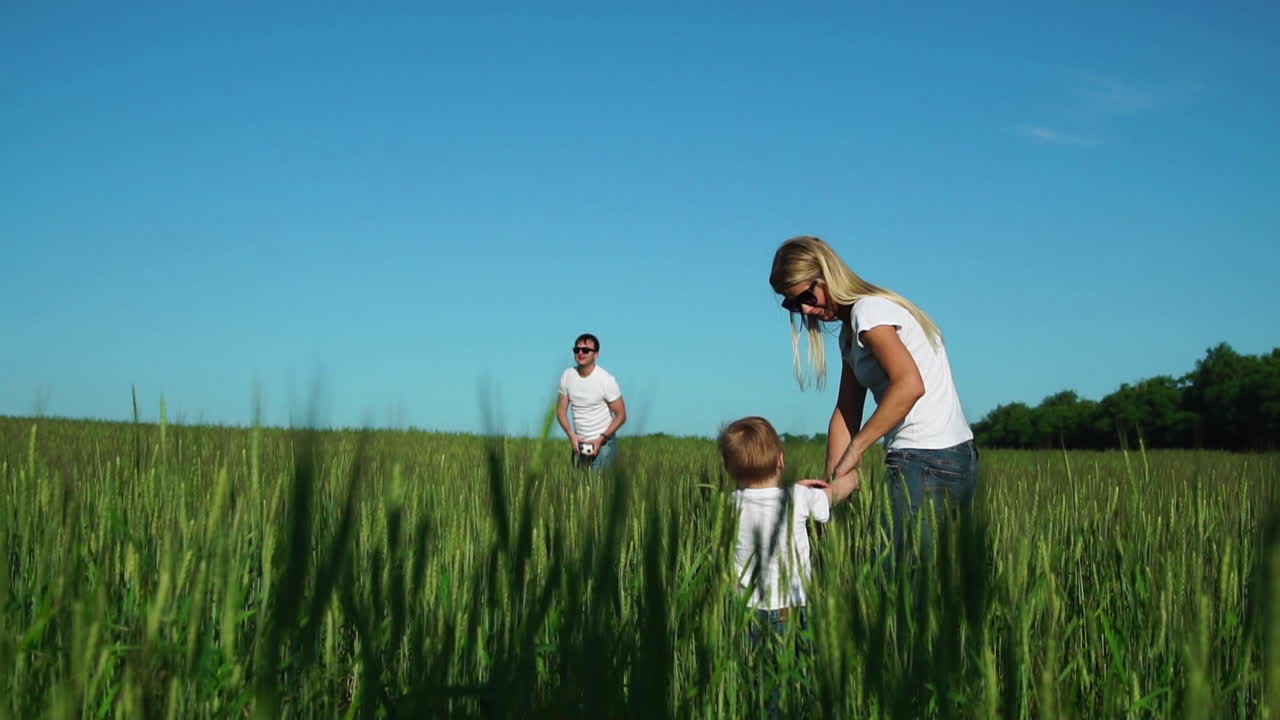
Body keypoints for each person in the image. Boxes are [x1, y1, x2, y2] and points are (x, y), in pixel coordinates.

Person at [769, 235, 979, 558]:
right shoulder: (851, 331)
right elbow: (846, 410)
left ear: (827, 275)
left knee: (897, 577)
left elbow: (909, 385)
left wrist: (857, 449)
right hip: (952, 457)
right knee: (935, 577)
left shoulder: (869, 312)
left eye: (807, 296)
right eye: (794, 305)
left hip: (923, 460)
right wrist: (831, 489)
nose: (806, 309)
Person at [718, 416, 856, 715]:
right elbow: (836, 493)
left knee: (756, 682)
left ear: (729, 468)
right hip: (790, 612)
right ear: (781, 459)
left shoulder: (728, 505)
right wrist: (852, 478)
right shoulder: (799, 498)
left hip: (747, 614)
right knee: (789, 684)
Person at [557, 333, 627, 470]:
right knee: (578, 484)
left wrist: (601, 438)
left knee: (601, 484)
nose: (580, 353)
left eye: (585, 350)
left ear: (596, 354)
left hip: (604, 446)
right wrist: (571, 435)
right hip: (579, 445)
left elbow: (621, 416)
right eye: (577, 350)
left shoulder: (606, 380)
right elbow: (560, 411)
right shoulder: (567, 376)